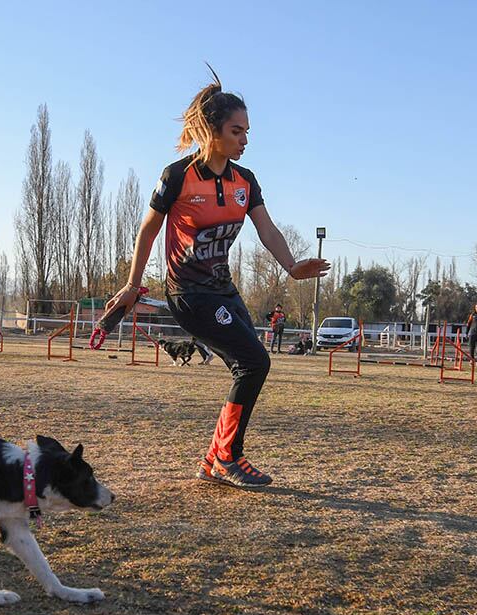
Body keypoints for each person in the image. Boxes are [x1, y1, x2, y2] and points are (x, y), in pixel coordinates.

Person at [99, 69, 329, 487]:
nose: (245, 139)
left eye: (247, 131)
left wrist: (293, 266)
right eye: (237, 131)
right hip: (188, 294)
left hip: (223, 290)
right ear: (212, 130)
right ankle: (226, 458)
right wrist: (133, 285)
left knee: (252, 365)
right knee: (254, 362)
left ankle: (215, 460)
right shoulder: (177, 176)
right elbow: (148, 230)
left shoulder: (246, 181)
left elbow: (268, 230)